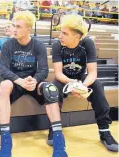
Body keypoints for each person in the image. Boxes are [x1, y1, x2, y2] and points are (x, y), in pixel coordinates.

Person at [0, 10, 68, 157]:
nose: (14, 29)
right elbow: (3, 69)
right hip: (15, 82)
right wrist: (19, 81)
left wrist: (35, 80)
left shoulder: (38, 45)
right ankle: (5, 140)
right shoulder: (8, 44)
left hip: (32, 82)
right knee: (4, 85)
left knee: (50, 89)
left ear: (29, 28)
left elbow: (43, 70)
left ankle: (59, 141)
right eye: (13, 26)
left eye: (18, 27)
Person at [50, 14, 118, 152]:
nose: (59, 36)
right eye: (60, 32)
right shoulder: (57, 45)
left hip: (82, 79)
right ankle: (54, 128)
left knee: (98, 86)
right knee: (52, 89)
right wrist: (73, 84)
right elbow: (58, 73)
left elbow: (92, 73)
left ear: (77, 36)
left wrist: (82, 86)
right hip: (64, 79)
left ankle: (104, 131)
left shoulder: (88, 43)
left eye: (64, 33)